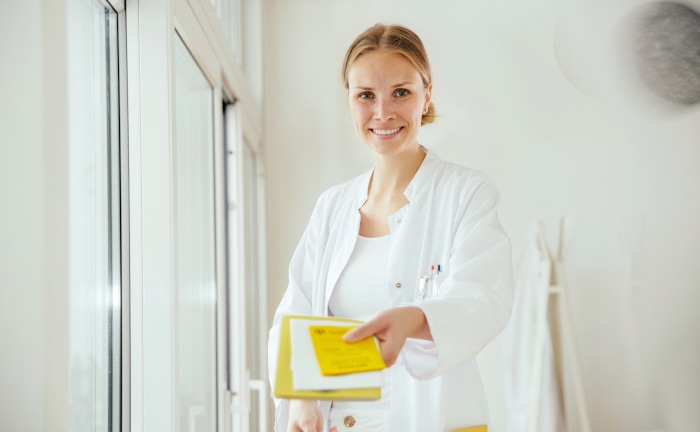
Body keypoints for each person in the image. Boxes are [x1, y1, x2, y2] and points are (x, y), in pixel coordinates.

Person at [268, 23, 514, 432]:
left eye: (401, 92)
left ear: (426, 95)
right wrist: (300, 399)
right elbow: (295, 315)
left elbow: (484, 299)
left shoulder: (465, 193)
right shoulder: (332, 207)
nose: (383, 112)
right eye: (366, 95)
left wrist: (414, 319)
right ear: (349, 100)